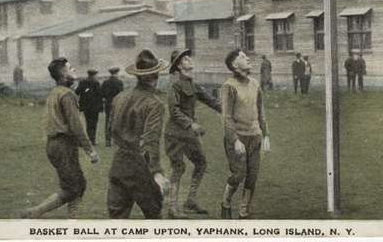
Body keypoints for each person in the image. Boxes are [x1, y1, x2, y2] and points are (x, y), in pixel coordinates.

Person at [21, 58, 99, 219]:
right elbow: (77, 127)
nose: (74, 69)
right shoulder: (66, 94)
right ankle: (34, 213)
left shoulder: (55, 92)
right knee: (72, 188)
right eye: (71, 68)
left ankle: (73, 220)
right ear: (64, 73)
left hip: (56, 144)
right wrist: (90, 151)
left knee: (79, 184)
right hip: (63, 145)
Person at [107, 49, 170, 219]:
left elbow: (110, 130)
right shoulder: (154, 104)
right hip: (141, 168)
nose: (157, 78)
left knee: (117, 221)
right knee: (154, 218)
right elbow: (150, 141)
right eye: (156, 74)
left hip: (118, 164)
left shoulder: (120, 98)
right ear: (153, 76)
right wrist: (156, 172)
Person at [165, 49, 222, 218]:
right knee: (178, 168)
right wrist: (191, 124)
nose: (190, 59)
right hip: (175, 134)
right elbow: (174, 111)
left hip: (189, 134)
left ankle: (190, 203)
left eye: (189, 57)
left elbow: (212, 101)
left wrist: (231, 111)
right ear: (179, 65)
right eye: (185, 59)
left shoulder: (193, 84)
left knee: (201, 163)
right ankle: (172, 209)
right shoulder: (175, 86)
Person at [220, 49, 271, 219]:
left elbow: (261, 112)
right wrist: (234, 140)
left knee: (252, 175)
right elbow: (226, 117)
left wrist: (266, 136)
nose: (248, 58)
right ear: (235, 64)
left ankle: (243, 211)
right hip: (238, 139)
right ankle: (226, 203)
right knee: (238, 174)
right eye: (243, 57)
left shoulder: (255, 84)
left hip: (255, 136)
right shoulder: (229, 86)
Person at [75, 69, 103, 146]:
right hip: (94, 106)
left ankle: (86, 140)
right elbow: (100, 94)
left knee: (88, 123)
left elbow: (77, 92)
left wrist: (85, 91)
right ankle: (92, 140)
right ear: (94, 75)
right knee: (93, 124)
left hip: (85, 106)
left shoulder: (82, 82)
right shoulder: (96, 83)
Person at [101, 67, 124, 147]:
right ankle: (116, 140)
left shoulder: (105, 82)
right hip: (117, 103)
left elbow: (102, 94)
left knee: (108, 121)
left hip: (108, 103)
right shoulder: (119, 82)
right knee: (117, 121)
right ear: (117, 73)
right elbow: (121, 94)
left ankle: (108, 140)